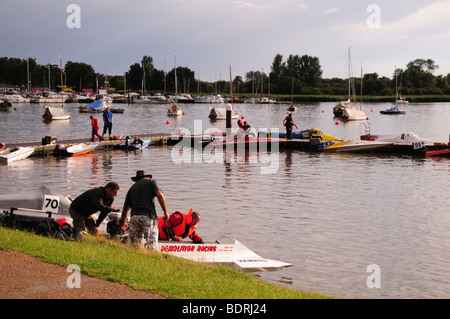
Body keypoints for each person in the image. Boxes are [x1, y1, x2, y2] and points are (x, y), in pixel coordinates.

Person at [119, 170, 169, 249]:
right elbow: (160, 195)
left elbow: (125, 209)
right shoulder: (151, 182)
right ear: (146, 177)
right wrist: (165, 212)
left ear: (136, 179)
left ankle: (135, 259)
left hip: (134, 218)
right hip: (148, 216)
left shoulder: (132, 188)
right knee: (151, 243)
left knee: (134, 245)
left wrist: (123, 222)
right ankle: (152, 259)